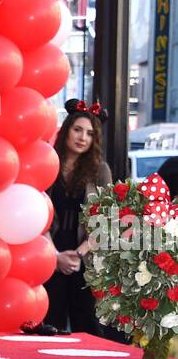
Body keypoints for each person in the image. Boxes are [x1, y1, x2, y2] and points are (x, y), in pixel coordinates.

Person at [43, 99, 112, 335]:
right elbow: (37, 214)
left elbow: (105, 221)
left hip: (84, 254)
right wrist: (54, 256)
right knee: (49, 324)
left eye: (90, 133)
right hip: (48, 252)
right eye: (78, 130)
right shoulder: (47, 161)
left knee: (88, 325)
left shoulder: (100, 170)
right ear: (66, 131)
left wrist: (79, 253)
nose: (83, 137)